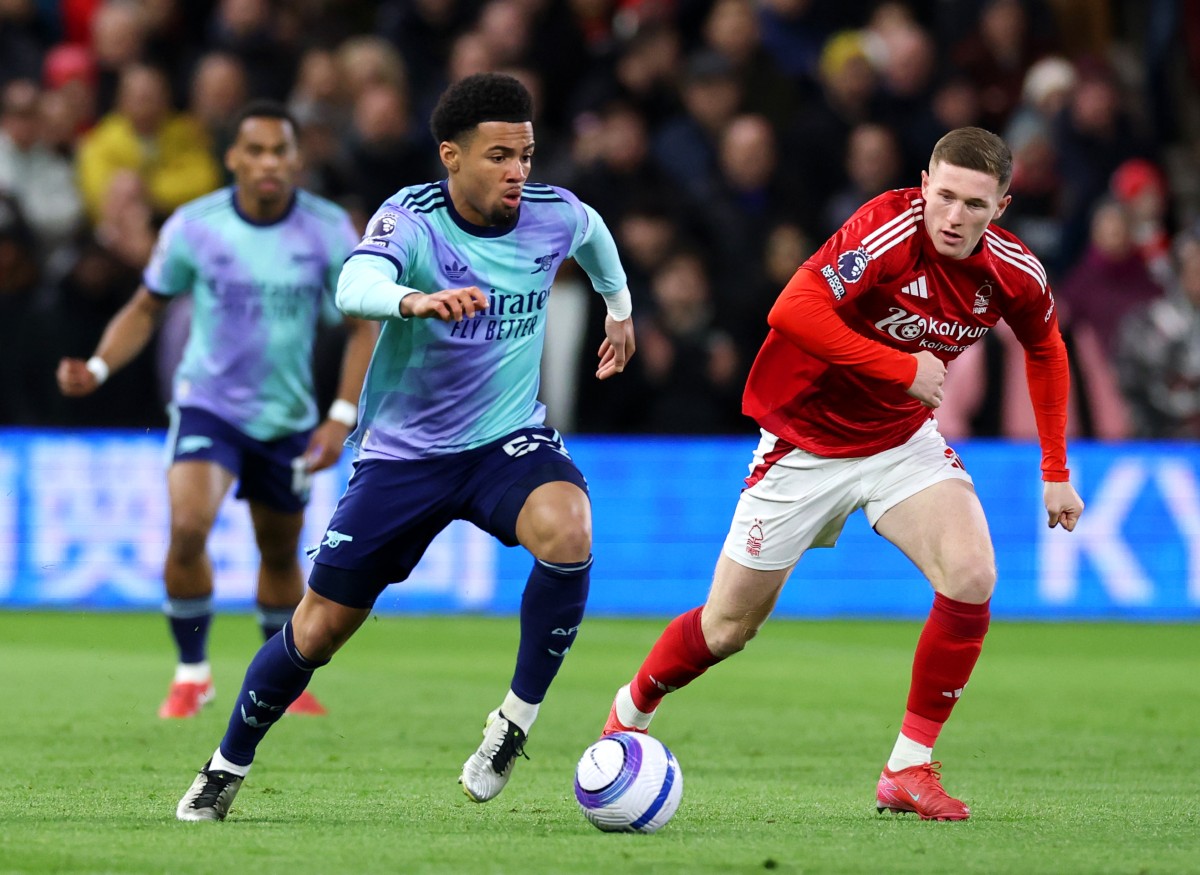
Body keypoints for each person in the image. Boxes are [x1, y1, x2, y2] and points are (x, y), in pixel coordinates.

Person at [174, 73, 636, 822]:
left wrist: (618, 308)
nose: (518, 171)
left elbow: (592, 233)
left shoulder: (552, 215)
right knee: (318, 627)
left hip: (504, 440)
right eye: (498, 156)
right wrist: (411, 300)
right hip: (404, 457)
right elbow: (352, 287)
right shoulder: (413, 220)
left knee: (570, 529)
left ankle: (513, 722)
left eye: (524, 154)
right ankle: (226, 764)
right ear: (451, 156)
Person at [600, 126, 1085, 821]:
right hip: (804, 441)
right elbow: (791, 309)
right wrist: (902, 367)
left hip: (899, 441)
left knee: (973, 573)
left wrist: (1056, 467)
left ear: (1001, 207)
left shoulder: (1014, 271)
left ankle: (907, 766)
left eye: (974, 205)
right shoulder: (885, 232)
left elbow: (1046, 346)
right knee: (728, 626)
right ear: (923, 184)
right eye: (943, 195)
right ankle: (630, 706)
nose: (954, 216)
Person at [57, 101, 377, 720]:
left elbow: (362, 326)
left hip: (287, 418)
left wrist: (341, 415)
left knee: (280, 552)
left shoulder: (329, 229)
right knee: (187, 528)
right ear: (232, 158)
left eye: (278, 151)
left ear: (296, 159)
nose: (267, 163)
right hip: (208, 407)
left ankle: (284, 677)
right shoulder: (195, 226)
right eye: (254, 150)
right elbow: (146, 306)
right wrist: (97, 366)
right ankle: (191, 672)